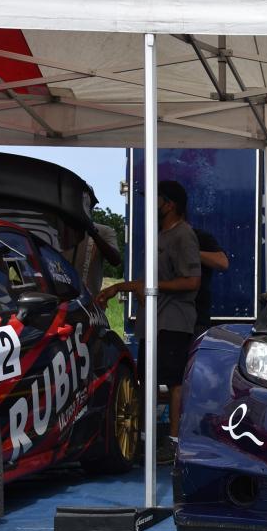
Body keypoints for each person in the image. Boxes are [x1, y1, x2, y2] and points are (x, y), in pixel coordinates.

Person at [96, 180, 201, 464]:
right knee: (148, 381)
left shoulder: (184, 235)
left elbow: (192, 281)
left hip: (174, 322)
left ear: (170, 204)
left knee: (175, 382)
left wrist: (153, 287)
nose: (151, 204)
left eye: (156, 198)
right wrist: (117, 288)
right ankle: (145, 440)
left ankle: (174, 443)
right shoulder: (159, 235)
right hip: (152, 324)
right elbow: (147, 282)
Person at [65, 221, 122, 295]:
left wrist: (94, 234)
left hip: (89, 298)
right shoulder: (56, 228)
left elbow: (116, 261)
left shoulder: (104, 231)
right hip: (57, 296)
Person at [193, 228, 229, 335]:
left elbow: (222, 262)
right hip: (163, 316)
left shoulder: (198, 237)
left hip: (196, 317)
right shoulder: (155, 235)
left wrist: (191, 252)